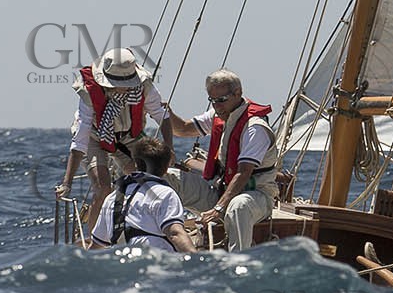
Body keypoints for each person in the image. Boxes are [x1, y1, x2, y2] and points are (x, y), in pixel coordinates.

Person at [55, 48, 172, 237]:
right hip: (95, 136)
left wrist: (170, 149)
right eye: (118, 83)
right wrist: (66, 183)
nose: (124, 87)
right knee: (103, 187)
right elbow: (80, 141)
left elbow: (162, 116)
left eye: (127, 82)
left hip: (127, 136)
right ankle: (95, 243)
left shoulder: (144, 86)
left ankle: (145, 229)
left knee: (149, 179)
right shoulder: (88, 92)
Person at [166, 69, 279, 250]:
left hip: (256, 196)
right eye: (212, 100)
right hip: (222, 194)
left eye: (221, 100)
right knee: (167, 178)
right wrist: (164, 112)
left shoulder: (254, 128)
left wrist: (218, 209)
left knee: (238, 207)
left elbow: (243, 172)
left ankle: (237, 267)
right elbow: (183, 129)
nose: (216, 106)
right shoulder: (218, 115)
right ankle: (160, 245)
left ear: (237, 93)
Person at [89, 136, 196, 252]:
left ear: (135, 164)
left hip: (121, 263)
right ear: (166, 168)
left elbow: (96, 245)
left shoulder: (112, 198)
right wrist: (196, 260)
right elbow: (175, 234)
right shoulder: (165, 194)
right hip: (155, 263)